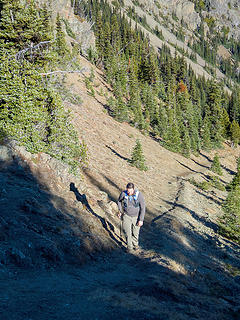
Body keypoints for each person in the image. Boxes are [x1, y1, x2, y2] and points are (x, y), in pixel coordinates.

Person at [117, 182, 145, 253]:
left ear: (133, 189)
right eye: (128, 191)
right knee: (127, 232)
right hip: (126, 216)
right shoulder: (123, 193)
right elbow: (119, 201)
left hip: (136, 217)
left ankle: (135, 245)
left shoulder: (139, 195)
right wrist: (120, 211)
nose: (129, 193)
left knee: (135, 233)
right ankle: (129, 248)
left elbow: (143, 208)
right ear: (126, 189)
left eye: (130, 191)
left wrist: (141, 219)